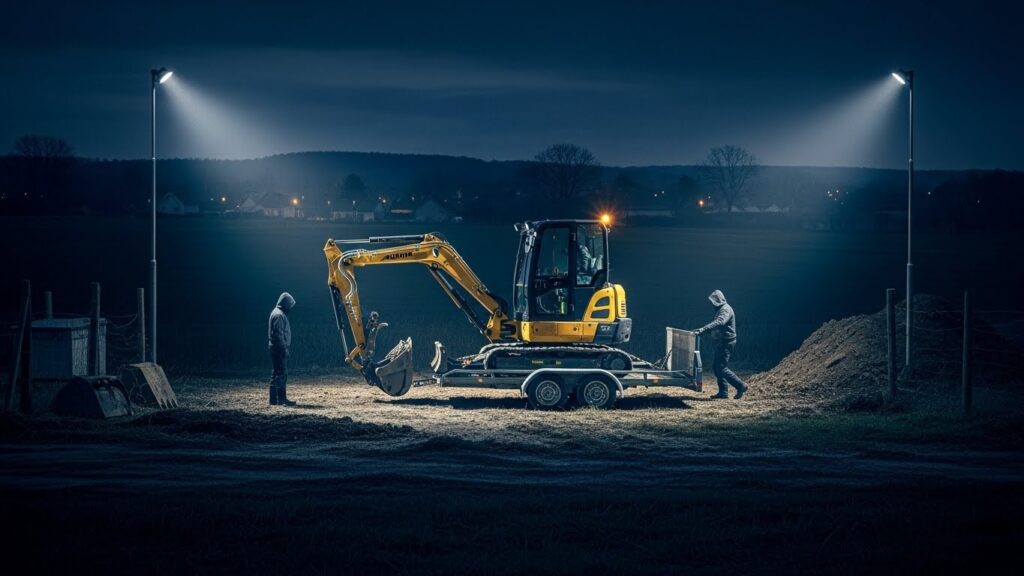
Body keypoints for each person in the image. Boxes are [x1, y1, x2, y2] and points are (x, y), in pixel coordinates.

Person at [693, 289, 748, 400]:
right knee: (717, 367)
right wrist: (701, 330)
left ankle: (741, 386)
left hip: (726, 342)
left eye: (713, 301)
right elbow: (717, 325)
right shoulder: (721, 309)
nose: (712, 304)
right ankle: (723, 392)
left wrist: (703, 329)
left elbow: (719, 322)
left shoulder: (725, 310)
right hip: (722, 341)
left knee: (721, 367)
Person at [268, 292, 297, 406]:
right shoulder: (279, 315)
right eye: (289, 305)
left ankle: (274, 400)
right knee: (282, 374)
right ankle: (281, 399)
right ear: (285, 304)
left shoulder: (276, 313)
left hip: (275, 348)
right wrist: (284, 348)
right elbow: (278, 335)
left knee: (276, 373)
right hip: (279, 349)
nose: (290, 307)